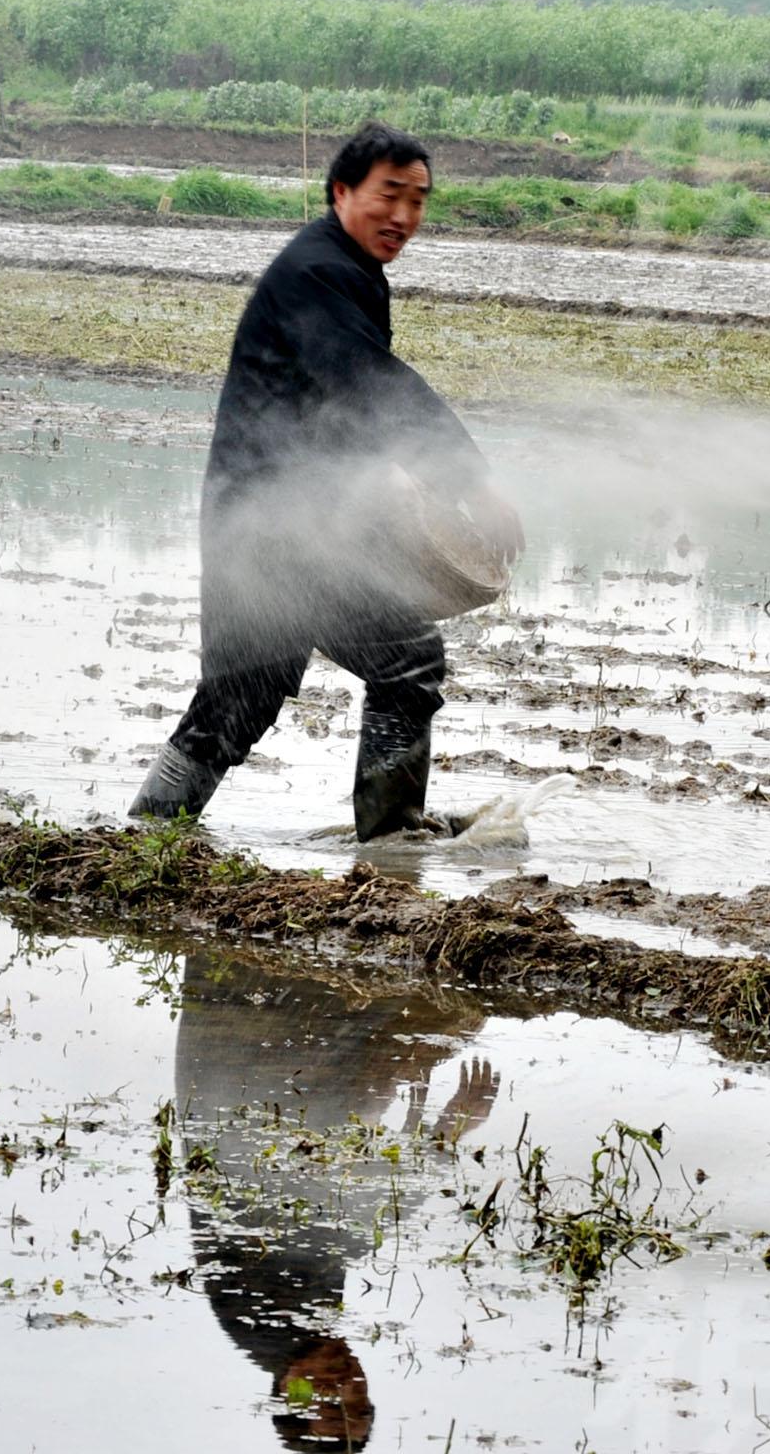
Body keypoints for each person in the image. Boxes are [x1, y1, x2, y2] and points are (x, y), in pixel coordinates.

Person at [127, 122, 524, 840]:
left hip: (257, 519)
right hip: (280, 529)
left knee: (235, 704)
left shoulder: (339, 269)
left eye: (419, 199)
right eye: (389, 194)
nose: (404, 216)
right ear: (342, 192)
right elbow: (373, 388)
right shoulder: (319, 273)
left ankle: (146, 835)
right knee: (408, 661)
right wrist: (472, 483)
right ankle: (392, 840)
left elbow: (333, 409)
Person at [175, 947, 499, 1451]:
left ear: (287, 1392)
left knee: (453, 1012)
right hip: (267, 1092)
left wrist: (441, 1130)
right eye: (359, 1404)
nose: (347, 1385)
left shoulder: (265, 1324)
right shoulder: (296, 1335)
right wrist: (430, 1130)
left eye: (328, 1404)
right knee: (431, 1029)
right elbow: (346, 1214)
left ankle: (379, 890)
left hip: (251, 1064)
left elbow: (340, 1219)